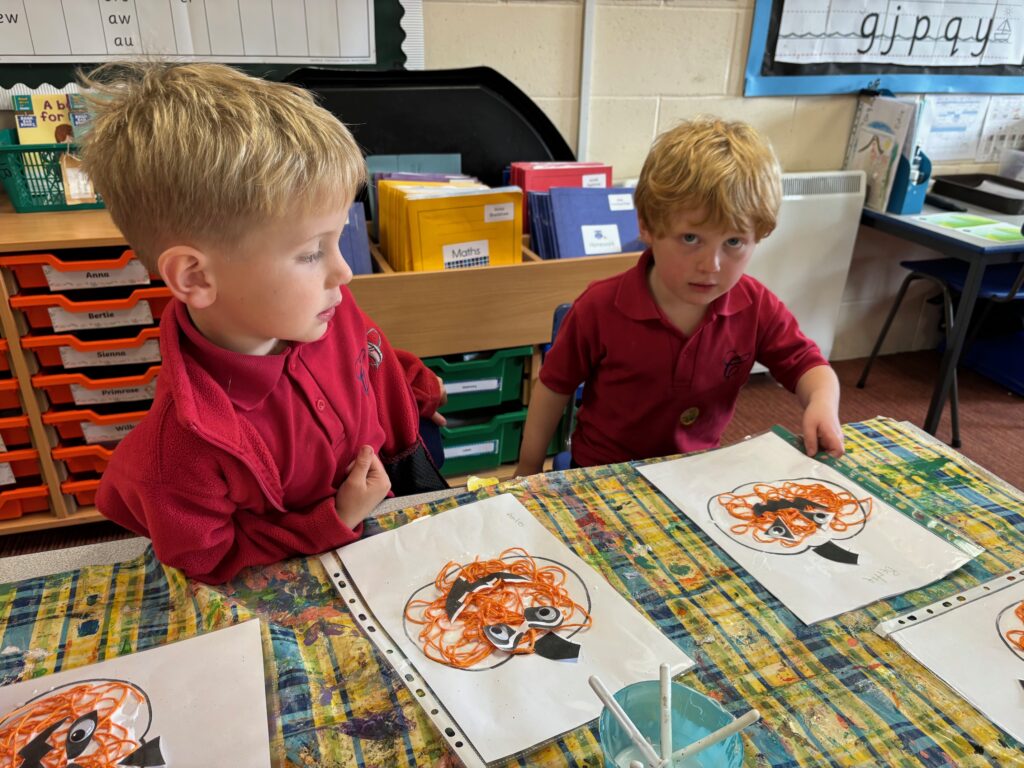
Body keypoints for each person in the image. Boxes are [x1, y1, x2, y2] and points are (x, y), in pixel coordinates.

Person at [80, 62, 448, 584]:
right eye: (309, 253)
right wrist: (335, 519)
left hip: (400, 483)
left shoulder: (323, 310)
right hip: (319, 565)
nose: (343, 271)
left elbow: (369, 353)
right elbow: (209, 559)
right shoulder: (177, 456)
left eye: (337, 239)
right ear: (195, 276)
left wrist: (415, 387)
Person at [516, 116, 844, 475]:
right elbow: (552, 388)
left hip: (696, 473)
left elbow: (809, 366)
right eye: (691, 238)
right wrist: (528, 469)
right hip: (603, 473)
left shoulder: (756, 305)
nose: (712, 265)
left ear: (758, 237)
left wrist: (823, 402)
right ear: (647, 226)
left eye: (733, 242)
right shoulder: (598, 308)